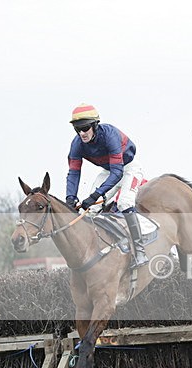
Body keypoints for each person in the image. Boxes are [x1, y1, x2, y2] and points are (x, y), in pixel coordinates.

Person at [65, 103, 148, 268]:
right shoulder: (77, 144)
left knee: (124, 202)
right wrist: (70, 197)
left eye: (86, 127)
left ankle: (140, 251)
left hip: (129, 168)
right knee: (87, 211)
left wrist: (95, 196)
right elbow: (74, 173)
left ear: (95, 125)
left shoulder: (109, 135)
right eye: (77, 129)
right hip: (108, 170)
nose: (82, 133)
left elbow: (118, 173)